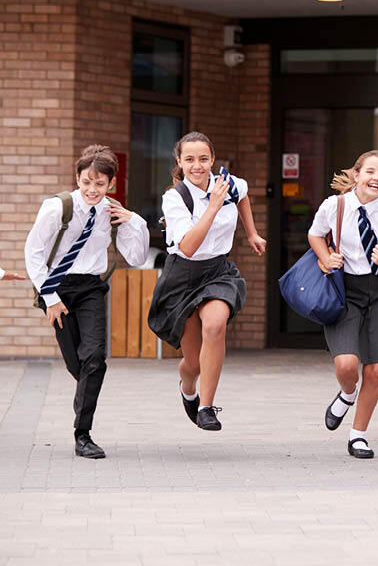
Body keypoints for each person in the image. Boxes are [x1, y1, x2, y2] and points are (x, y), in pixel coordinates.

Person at [25, 145, 149, 458]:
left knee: (94, 358)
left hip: (91, 287)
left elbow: (134, 257)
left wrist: (135, 222)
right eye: (86, 182)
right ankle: (87, 394)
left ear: (111, 184)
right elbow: (34, 254)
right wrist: (50, 298)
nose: (92, 190)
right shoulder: (57, 208)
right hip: (58, 287)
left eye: (99, 184)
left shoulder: (113, 211)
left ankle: (83, 434)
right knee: (77, 364)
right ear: (77, 178)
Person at [148, 132, 266, 432]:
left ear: (212, 159)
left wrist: (251, 232)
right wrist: (213, 207)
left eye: (203, 159)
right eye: (189, 160)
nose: (197, 166)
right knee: (193, 363)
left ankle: (206, 407)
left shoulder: (230, 183)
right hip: (183, 275)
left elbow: (243, 197)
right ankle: (188, 387)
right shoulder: (175, 198)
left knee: (215, 325)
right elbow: (187, 247)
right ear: (179, 162)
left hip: (217, 271)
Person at [308, 150, 378, 459]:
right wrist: (326, 257)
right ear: (357, 175)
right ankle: (347, 393)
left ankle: (358, 435)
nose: (377, 178)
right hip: (346, 291)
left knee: (375, 368)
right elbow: (315, 235)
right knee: (346, 366)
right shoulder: (336, 205)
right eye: (371, 171)